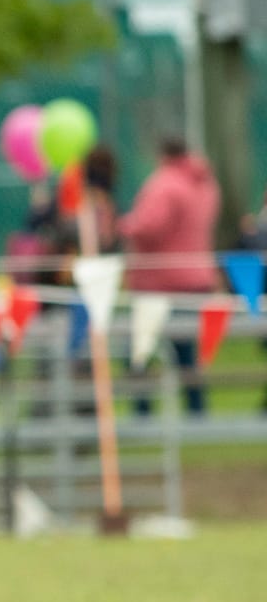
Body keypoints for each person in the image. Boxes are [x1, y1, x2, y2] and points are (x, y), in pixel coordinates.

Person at [119, 138, 221, 416]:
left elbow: (150, 227)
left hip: (160, 282)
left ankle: (142, 414)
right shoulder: (205, 182)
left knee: (139, 351)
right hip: (197, 277)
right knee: (188, 356)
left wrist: (124, 225)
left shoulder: (165, 184)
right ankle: (197, 411)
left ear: (162, 154)